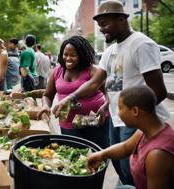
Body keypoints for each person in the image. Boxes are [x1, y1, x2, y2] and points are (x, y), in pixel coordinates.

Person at [54, 0, 170, 185]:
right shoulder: (110, 51)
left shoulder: (141, 44)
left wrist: (140, 119)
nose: (102, 29)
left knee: (133, 171)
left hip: (137, 120)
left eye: (106, 24)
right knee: (120, 168)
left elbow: (159, 91)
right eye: (100, 25)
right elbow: (94, 83)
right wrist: (72, 98)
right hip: (116, 119)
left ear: (122, 19)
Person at [87, 86, 174, 189]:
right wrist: (101, 154)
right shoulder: (145, 131)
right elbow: (125, 147)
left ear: (135, 111)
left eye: (120, 108)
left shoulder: (157, 155)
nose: (118, 114)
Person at [38, 36, 110, 149]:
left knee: (97, 156)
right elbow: (48, 95)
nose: (68, 58)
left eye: (73, 55)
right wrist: (45, 106)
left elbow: (108, 91)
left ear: (82, 55)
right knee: (74, 157)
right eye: (65, 54)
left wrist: (106, 106)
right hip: (68, 125)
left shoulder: (93, 71)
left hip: (95, 123)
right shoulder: (57, 71)